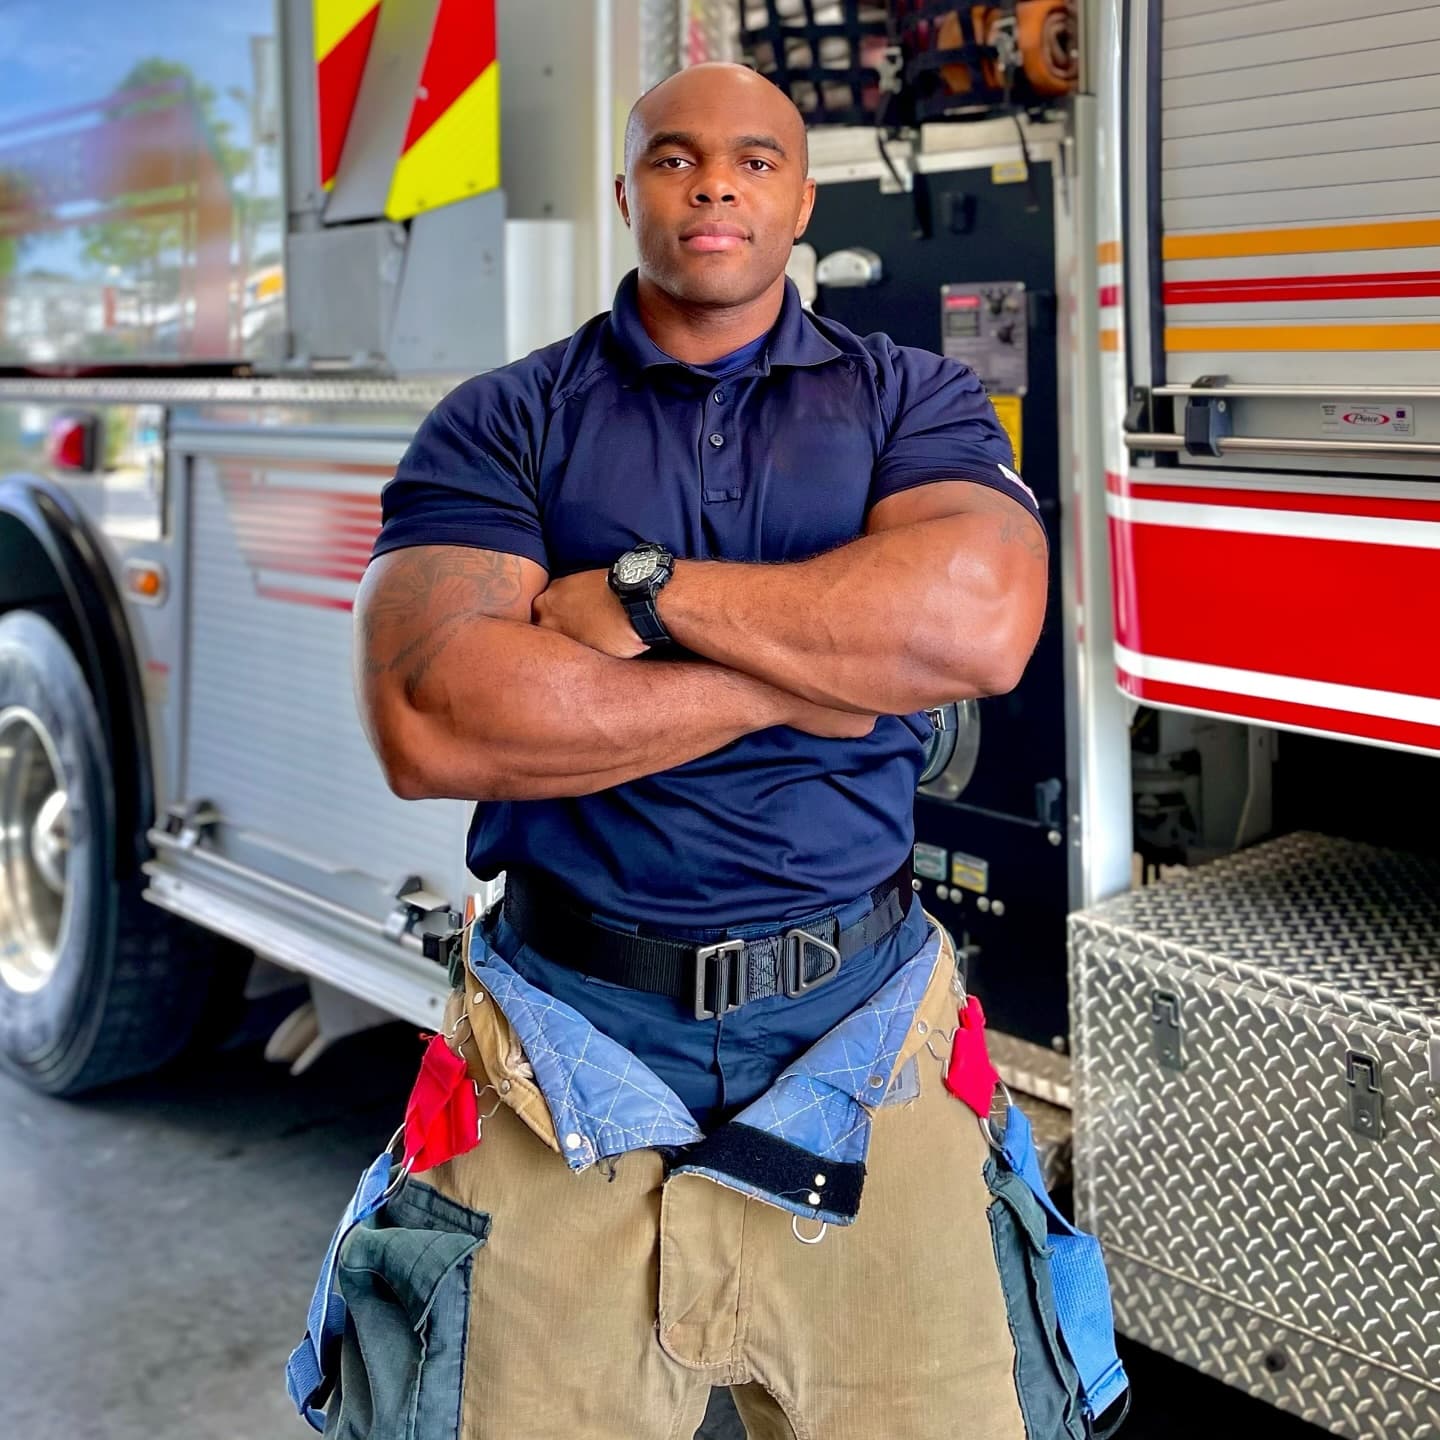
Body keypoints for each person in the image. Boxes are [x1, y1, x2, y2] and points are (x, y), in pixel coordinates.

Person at [312, 61, 1080, 1440]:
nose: (712, 181)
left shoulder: (914, 401)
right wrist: (809, 683)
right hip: (559, 1034)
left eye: (752, 160)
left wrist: (639, 598)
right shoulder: (506, 418)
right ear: (626, 195)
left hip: (862, 1033)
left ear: (797, 202)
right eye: (673, 158)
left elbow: (976, 624)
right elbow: (435, 715)